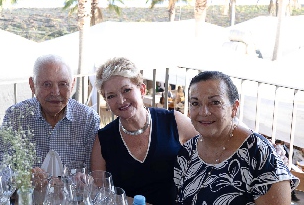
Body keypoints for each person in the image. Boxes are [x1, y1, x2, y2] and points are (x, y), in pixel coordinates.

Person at [174, 71, 299, 204]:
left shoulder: (259, 155)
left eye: (215, 102)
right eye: (195, 103)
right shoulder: (188, 152)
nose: (204, 112)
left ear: (234, 108)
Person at [90, 57, 198, 205]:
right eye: (111, 96)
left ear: (141, 89)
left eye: (126, 90)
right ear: (107, 102)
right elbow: (99, 192)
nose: (121, 101)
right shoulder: (103, 139)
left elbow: (212, 151)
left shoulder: (174, 122)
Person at [0, 54, 100, 171]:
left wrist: (75, 182)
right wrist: (24, 178)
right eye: (47, 84)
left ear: (72, 85)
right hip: (27, 189)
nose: (55, 92)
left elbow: (96, 172)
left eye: (63, 84)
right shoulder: (16, 116)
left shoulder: (88, 119)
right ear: (32, 85)